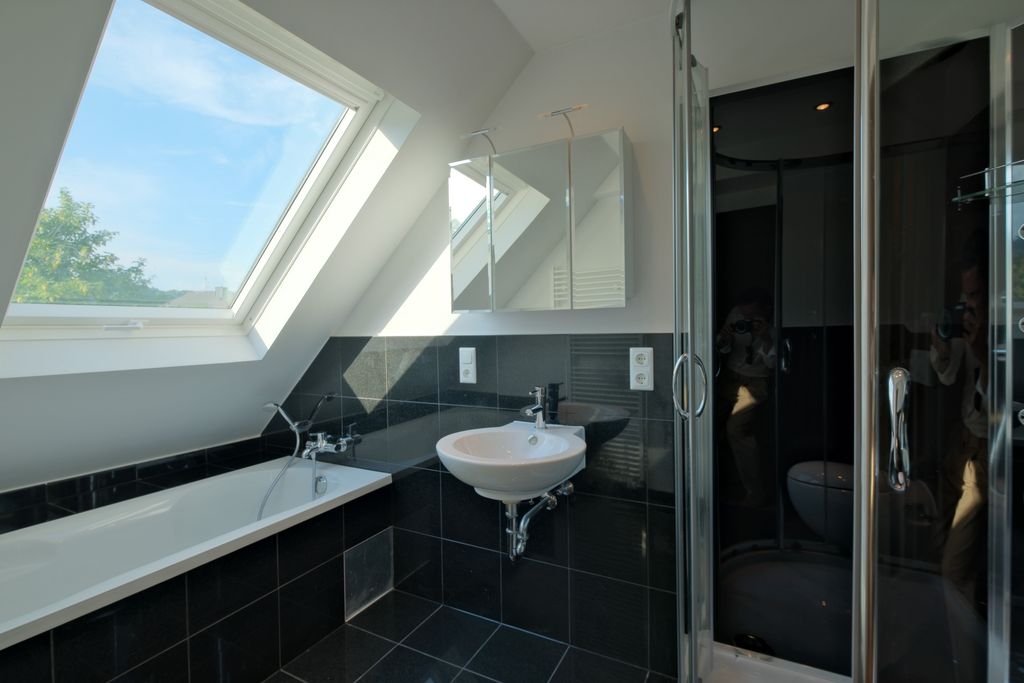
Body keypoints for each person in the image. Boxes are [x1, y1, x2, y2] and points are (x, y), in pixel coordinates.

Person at [930, 239, 987, 607]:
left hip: (987, 453)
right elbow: (949, 377)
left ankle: (964, 660)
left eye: (975, 295)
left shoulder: (1009, 331)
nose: (968, 305)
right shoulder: (971, 323)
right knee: (938, 549)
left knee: (955, 566)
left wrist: (983, 350)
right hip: (960, 442)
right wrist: (943, 344)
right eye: (964, 296)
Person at [715, 287, 776, 506]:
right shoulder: (736, 313)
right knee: (709, 426)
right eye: (744, 315)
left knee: (737, 430)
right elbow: (722, 348)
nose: (746, 320)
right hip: (729, 377)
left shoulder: (776, 320)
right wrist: (723, 339)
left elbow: (773, 365)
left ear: (765, 309)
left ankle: (756, 492)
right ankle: (718, 484)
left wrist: (766, 338)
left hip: (756, 381)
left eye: (752, 316)